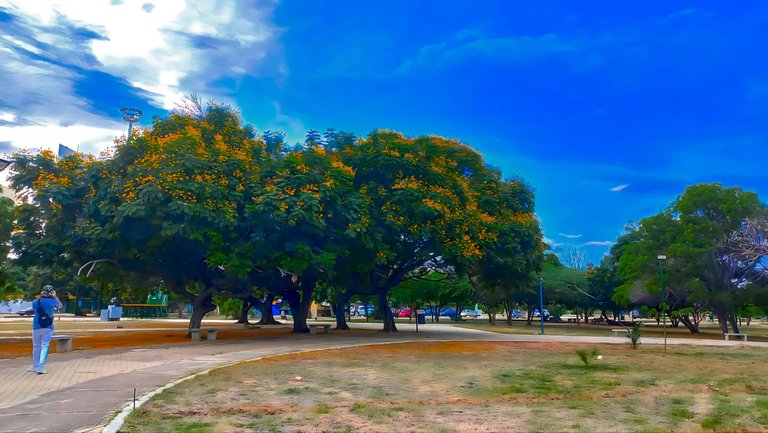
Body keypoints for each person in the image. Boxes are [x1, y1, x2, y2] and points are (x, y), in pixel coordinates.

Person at [29, 285, 62, 374]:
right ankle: (40, 366)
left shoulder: (35, 302)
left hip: (36, 326)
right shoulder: (53, 301)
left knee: (36, 346)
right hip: (48, 326)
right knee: (45, 346)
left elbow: (34, 310)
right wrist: (55, 296)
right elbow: (60, 306)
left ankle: (35, 366)